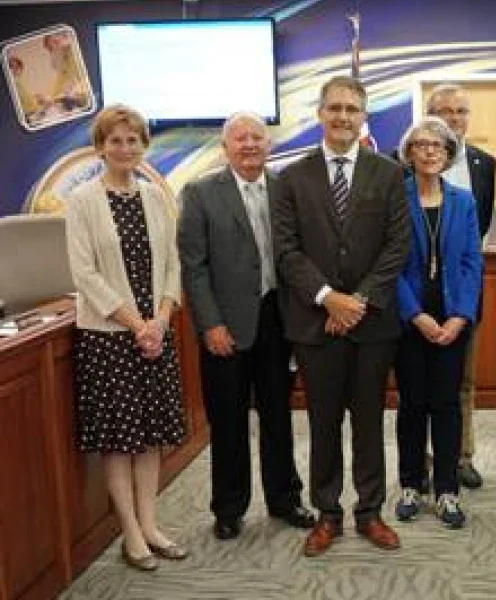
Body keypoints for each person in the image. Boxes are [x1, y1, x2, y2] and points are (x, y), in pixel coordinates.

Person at [271, 75, 411, 556]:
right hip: (315, 325)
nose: (343, 117)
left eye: (352, 109)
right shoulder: (291, 177)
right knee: (324, 422)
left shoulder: (389, 173)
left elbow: (397, 247)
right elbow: (286, 252)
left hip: (372, 326)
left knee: (369, 422)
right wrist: (329, 297)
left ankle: (370, 512)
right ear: (320, 113)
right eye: (335, 108)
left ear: (363, 116)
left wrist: (357, 303)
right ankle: (327, 514)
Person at [177, 112, 315, 541]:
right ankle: (229, 507)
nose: (251, 144)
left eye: (258, 137)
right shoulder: (200, 193)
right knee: (228, 420)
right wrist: (209, 324)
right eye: (241, 138)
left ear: (269, 145)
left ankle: (285, 499)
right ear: (226, 147)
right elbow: (193, 268)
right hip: (226, 325)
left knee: (278, 416)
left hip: (278, 320)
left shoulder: (286, 188)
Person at [65, 104, 188, 571]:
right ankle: (131, 534)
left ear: (143, 146)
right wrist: (137, 325)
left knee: (152, 435)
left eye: (133, 140)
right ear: (100, 147)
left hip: (155, 333)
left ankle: (152, 524)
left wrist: (159, 319)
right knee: (120, 440)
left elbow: (172, 265)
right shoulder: (82, 201)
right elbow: (85, 273)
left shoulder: (156, 196)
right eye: (115, 141)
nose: (124, 148)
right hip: (108, 338)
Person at [393, 116, 483, 528]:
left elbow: (471, 262)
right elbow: (388, 266)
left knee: (447, 405)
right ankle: (411, 483)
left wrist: (462, 315)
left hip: (452, 320)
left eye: (439, 146)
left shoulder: (463, 200)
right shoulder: (395, 197)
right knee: (412, 404)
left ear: (449, 155)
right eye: (422, 145)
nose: (430, 151)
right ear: (409, 152)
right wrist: (416, 315)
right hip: (410, 319)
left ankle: (447, 489)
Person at [425, 83, 496, 489]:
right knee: (421, 382)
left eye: (460, 111)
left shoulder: (484, 163)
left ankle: (461, 456)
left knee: (463, 380)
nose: (454, 118)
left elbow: (481, 229)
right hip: (419, 295)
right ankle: (422, 459)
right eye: (444, 111)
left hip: (466, 293)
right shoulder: (404, 164)